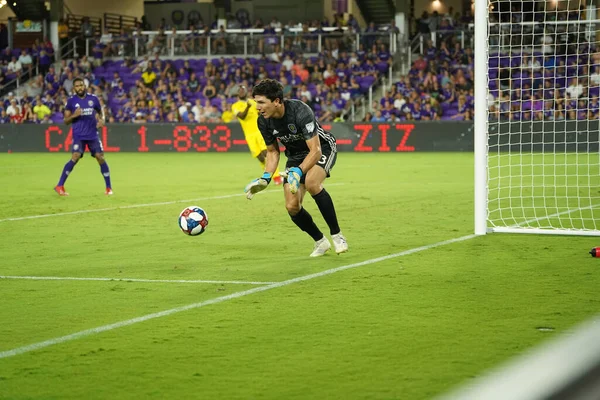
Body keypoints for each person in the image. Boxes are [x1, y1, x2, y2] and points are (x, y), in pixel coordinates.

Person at [244, 79, 348, 257]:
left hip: (321, 148)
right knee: (292, 206)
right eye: (256, 102)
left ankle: (337, 236)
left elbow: (314, 150)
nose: (257, 107)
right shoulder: (263, 121)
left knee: (312, 183)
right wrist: (265, 178)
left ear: (276, 101)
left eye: (261, 102)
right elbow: (272, 152)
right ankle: (320, 241)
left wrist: (298, 172)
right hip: (295, 156)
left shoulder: (300, 111)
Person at [54, 77, 112, 196]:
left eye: (81, 85)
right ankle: (59, 186)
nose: (80, 88)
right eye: (77, 86)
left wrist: (102, 120)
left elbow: (101, 112)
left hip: (92, 135)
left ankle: (108, 188)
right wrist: (74, 115)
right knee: (75, 156)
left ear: (84, 86)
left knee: (100, 157)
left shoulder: (93, 99)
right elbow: (66, 121)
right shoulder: (70, 101)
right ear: (74, 88)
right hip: (79, 135)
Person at [232, 85, 283, 185]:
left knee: (267, 153)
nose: (241, 92)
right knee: (260, 157)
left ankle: (277, 177)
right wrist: (247, 107)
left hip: (259, 132)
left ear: (246, 92)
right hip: (249, 135)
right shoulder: (235, 105)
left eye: (243, 90)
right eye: (240, 91)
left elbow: (262, 112)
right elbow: (242, 116)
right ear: (238, 93)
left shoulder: (253, 102)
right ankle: (267, 175)